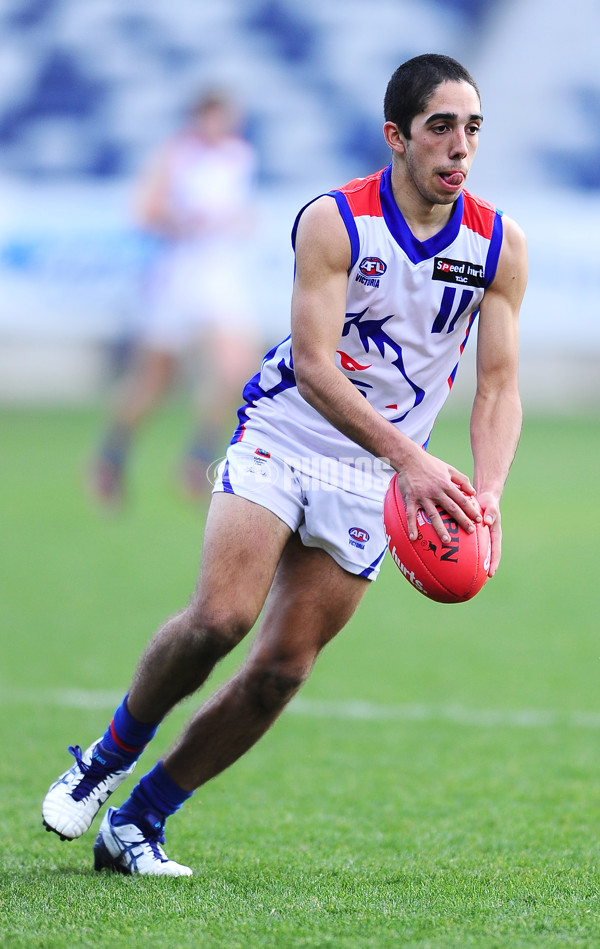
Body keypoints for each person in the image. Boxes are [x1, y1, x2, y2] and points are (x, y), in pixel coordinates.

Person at [43, 54, 527, 876]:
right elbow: (314, 365)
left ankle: (139, 822)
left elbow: (498, 387)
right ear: (396, 136)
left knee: (280, 671)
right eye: (440, 127)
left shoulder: (496, 245)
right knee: (218, 621)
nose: (459, 146)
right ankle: (105, 755)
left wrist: (488, 496)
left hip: (376, 475)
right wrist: (410, 457)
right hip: (290, 433)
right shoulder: (336, 220)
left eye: (472, 128)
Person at [90, 89, 262, 505]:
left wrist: (235, 221)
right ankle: (111, 455)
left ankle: (198, 458)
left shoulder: (239, 157)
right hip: (179, 276)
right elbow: (145, 210)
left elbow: (242, 214)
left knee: (237, 367)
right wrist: (184, 218)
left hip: (218, 274)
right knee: (154, 379)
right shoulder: (176, 156)